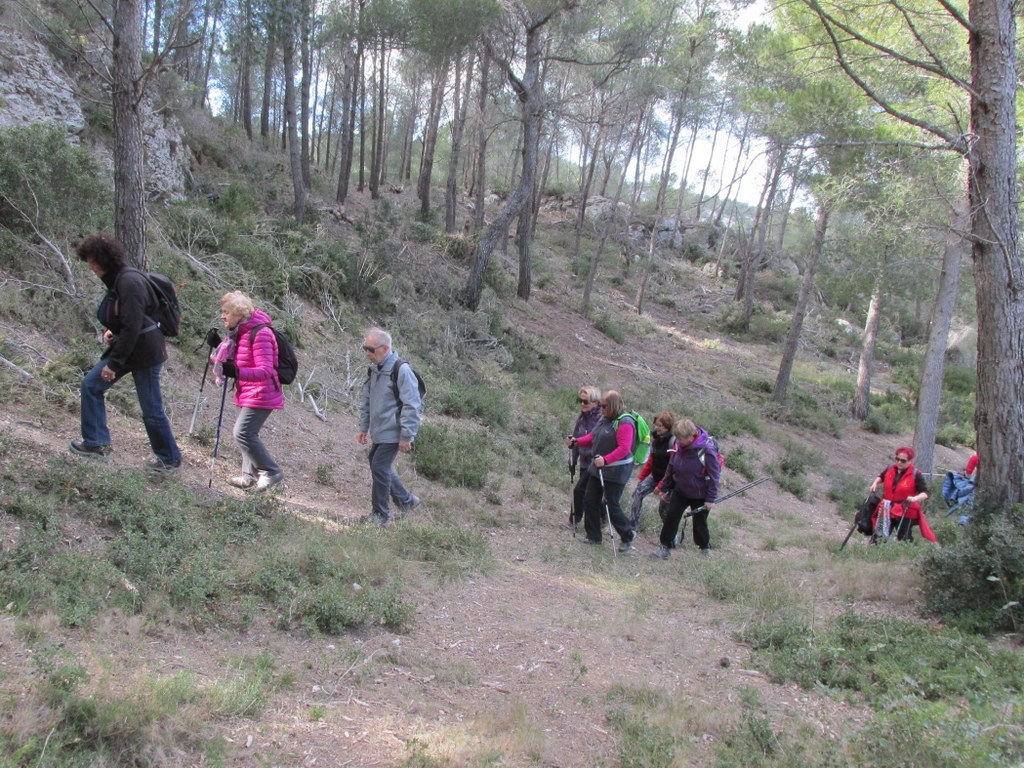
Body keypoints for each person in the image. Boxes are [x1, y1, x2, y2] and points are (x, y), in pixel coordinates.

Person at [70, 233, 182, 473]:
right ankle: (95, 443)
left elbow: (133, 326)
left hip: (144, 353)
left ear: (103, 259)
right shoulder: (119, 279)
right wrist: (112, 331)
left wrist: (114, 363)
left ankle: (169, 459)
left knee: (151, 409)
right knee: (91, 385)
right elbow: (128, 320)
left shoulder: (128, 281)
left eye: (92, 262)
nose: (90, 267)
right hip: (130, 347)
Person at [217, 291, 284, 492]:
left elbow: (266, 370)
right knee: (248, 432)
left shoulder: (260, 333)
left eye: (226, 312)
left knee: (243, 433)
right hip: (250, 391)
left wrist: (237, 372)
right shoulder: (241, 332)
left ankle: (271, 472)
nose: (223, 316)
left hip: (263, 392)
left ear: (238, 314)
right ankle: (249, 476)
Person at [357, 327, 422, 526]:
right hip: (380, 430)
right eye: (364, 348)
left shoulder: (401, 370)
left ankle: (380, 515)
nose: (367, 353)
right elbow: (367, 400)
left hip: (393, 431)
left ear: (384, 349)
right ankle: (406, 501)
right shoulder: (375, 369)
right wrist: (363, 426)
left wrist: (406, 436)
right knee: (377, 463)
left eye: (370, 349)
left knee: (379, 465)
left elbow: (412, 405)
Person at [565, 390, 637, 552]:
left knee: (611, 505)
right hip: (598, 468)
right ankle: (593, 537)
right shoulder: (604, 419)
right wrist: (577, 442)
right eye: (600, 405)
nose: (600, 408)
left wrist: (605, 460)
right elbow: (592, 436)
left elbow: (624, 448)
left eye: (603, 405)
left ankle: (628, 534)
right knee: (589, 500)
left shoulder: (625, 422)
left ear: (612, 406)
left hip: (616, 472)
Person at [653, 419, 719, 558]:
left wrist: (710, 499)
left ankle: (704, 549)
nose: (677, 441)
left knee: (699, 522)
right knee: (671, 517)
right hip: (680, 489)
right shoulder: (678, 445)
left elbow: (714, 476)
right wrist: (664, 487)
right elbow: (671, 467)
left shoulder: (707, 450)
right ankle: (665, 548)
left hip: (700, 493)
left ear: (691, 436)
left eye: (680, 438)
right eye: (677, 437)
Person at [869, 446, 937, 542]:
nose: (899, 462)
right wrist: (875, 484)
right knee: (879, 535)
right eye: (897, 459)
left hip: (906, 509)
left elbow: (925, 493)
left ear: (910, 461)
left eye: (903, 460)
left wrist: (915, 498)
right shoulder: (890, 468)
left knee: (904, 538)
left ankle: (904, 555)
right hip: (887, 507)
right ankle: (874, 552)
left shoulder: (916, 474)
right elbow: (881, 476)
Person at [563, 386, 603, 531]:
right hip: (584, 462)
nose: (582, 404)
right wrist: (573, 459)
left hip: (596, 463)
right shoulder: (582, 417)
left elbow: (598, 440)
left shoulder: (601, 419)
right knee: (587, 493)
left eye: (585, 401)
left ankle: (575, 520)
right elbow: (576, 437)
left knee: (581, 491)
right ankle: (599, 519)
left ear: (595, 402)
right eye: (579, 400)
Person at [628, 411, 676, 529]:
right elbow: (651, 460)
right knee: (638, 493)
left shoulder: (673, 443)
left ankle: (672, 537)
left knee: (664, 510)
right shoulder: (655, 440)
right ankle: (632, 525)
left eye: (661, 426)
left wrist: (661, 486)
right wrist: (642, 477)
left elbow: (673, 467)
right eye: (657, 425)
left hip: (669, 481)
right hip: (655, 475)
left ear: (668, 427)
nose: (658, 428)